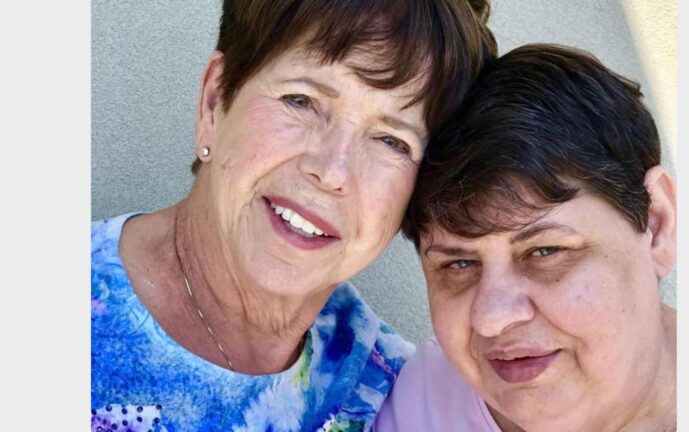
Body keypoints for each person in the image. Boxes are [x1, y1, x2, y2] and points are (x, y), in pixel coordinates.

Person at [91, 0, 497, 430]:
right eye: (301, 101)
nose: (332, 171)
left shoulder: (395, 396)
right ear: (214, 102)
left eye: (391, 141)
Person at [375, 44, 676, 431]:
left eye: (545, 251)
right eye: (459, 264)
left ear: (656, 224)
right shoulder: (420, 404)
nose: (492, 318)